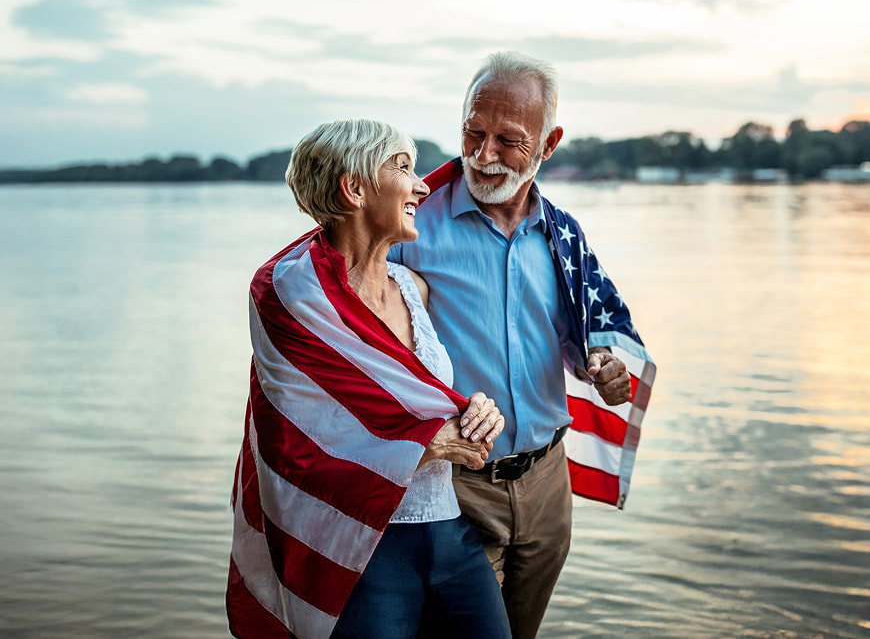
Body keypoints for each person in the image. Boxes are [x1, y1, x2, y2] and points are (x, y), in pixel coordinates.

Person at [390, 52, 654, 639]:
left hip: (546, 486)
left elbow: (586, 333)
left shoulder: (563, 235)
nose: (484, 156)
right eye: (473, 133)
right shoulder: (408, 224)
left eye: (508, 140)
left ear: (548, 143)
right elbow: (350, 328)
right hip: (452, 486)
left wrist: (603, 365)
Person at [226, 119, 512, 639]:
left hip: (450, 530)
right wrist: (429, 445)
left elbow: (420, 397)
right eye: (403, 166)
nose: (423, 184)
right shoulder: (292, 299)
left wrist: (474, 409)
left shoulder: (411, 286)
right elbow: (297, 448)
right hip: (362, 547)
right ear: (354, 189)